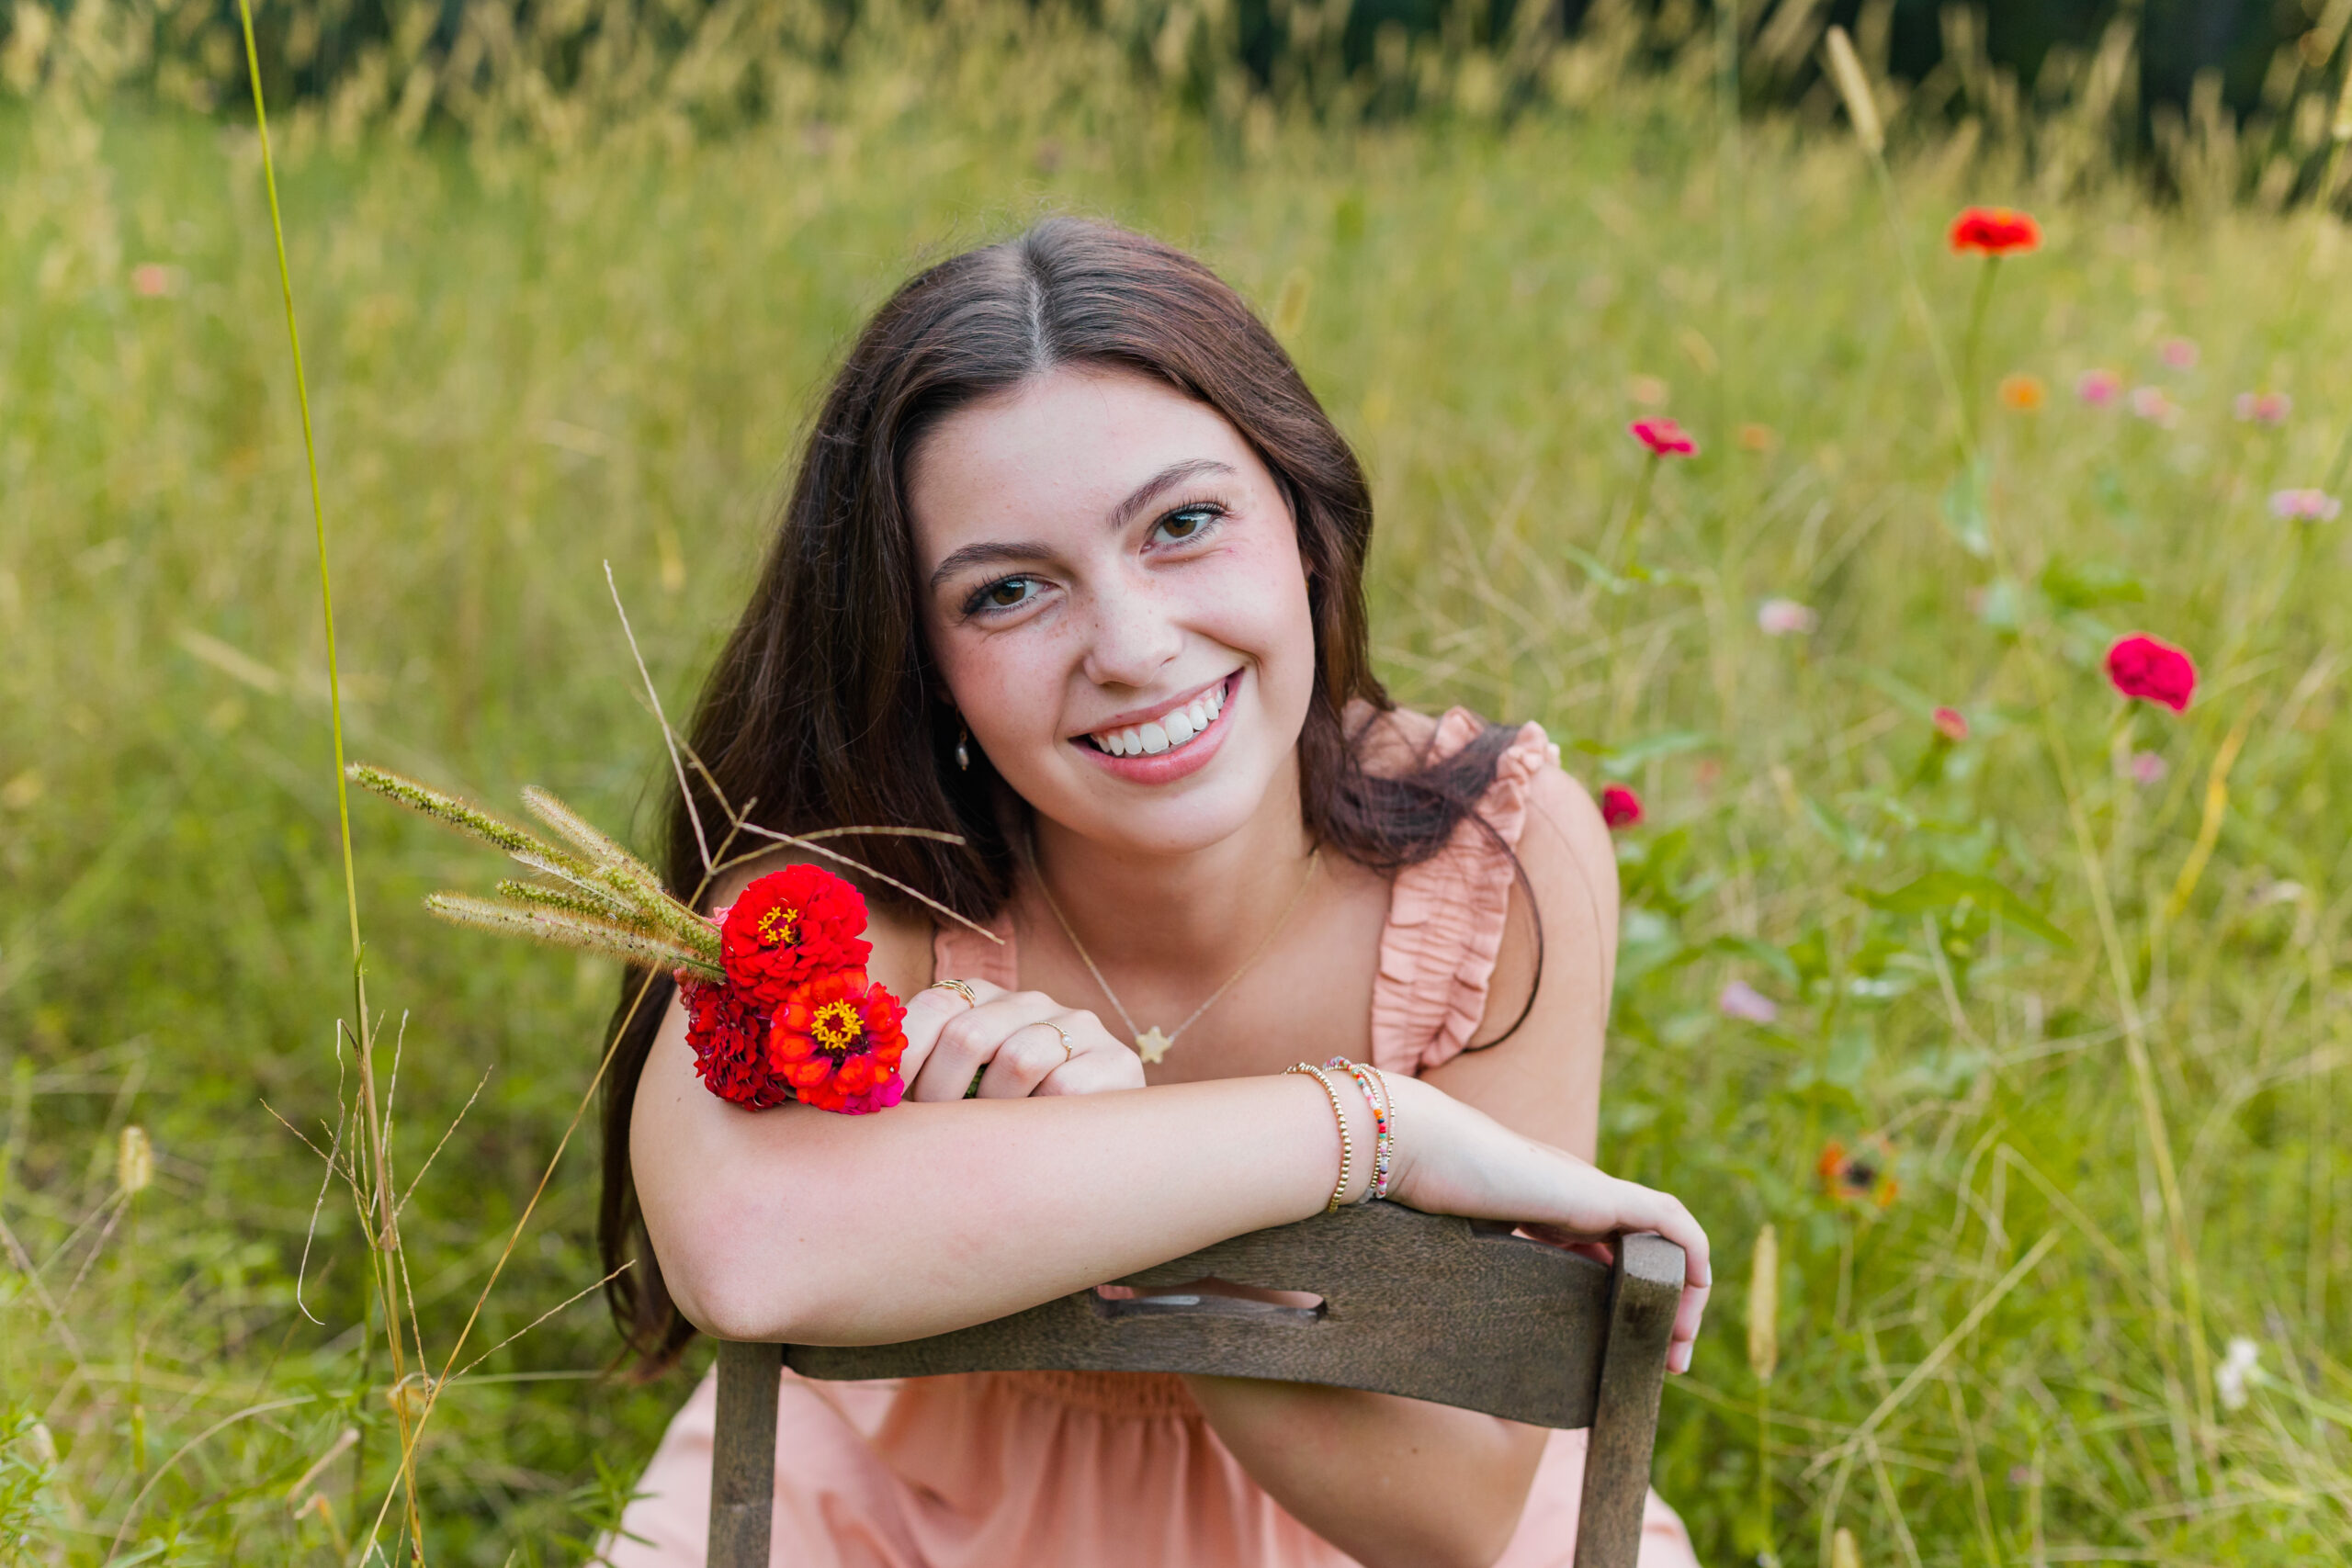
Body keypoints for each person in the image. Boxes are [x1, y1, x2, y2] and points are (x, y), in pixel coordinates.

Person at [599, 217, 1710, 1568]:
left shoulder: (1493, 857)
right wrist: (1371, 1131)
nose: (1131, 647)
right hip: (904, 1509)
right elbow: (745, 1251)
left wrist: (1132, 1178)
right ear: (920, 651)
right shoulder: (854, 882)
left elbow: (1453, 1510)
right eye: (1008, 591)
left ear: (1302, 521)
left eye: (1184, 524)